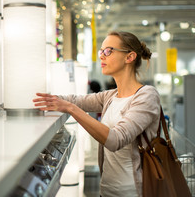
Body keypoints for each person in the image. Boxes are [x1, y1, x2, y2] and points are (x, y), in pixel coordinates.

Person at [33, 31, 160, 197]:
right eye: (101, 51)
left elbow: (116, 140)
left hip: (134, 192)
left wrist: (71, 108)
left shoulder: (147, 96)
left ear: (129, 57)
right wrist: (47, 100)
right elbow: (76, 100)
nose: (102, 56)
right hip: (107, 191)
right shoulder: (110, 96)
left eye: (108, 51)